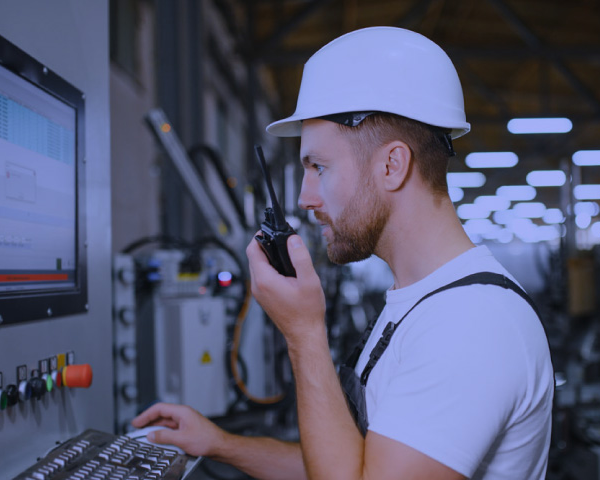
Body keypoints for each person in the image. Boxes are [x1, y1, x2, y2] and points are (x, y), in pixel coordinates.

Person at [133, 26, 553, 480]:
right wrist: (220, 444)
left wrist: (303, 333)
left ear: (392, 165)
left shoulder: (470, 325)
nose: (304, 197)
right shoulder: (418, 301)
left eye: (319, 167)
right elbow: (350, 464)